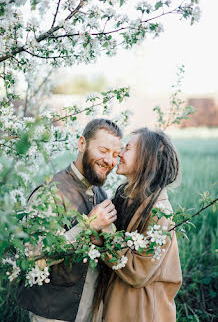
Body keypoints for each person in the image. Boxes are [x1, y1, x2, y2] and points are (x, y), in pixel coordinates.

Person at [17, 118, 122, 322]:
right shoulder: (49, 193)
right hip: (53, 313)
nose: (110, 161)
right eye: (103, 150)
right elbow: (31, 254)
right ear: (81, 144)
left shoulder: (101, 193)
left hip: (90, 309)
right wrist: (87, 227)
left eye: (116, 155)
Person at [94, 127, 182, 322]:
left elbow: (138, 273)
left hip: (141, 311)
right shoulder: (125, 198)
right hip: (116, 303)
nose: (119, 154)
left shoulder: (159, 213)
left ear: (146, 159)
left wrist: (106, 234)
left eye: (127, 148)